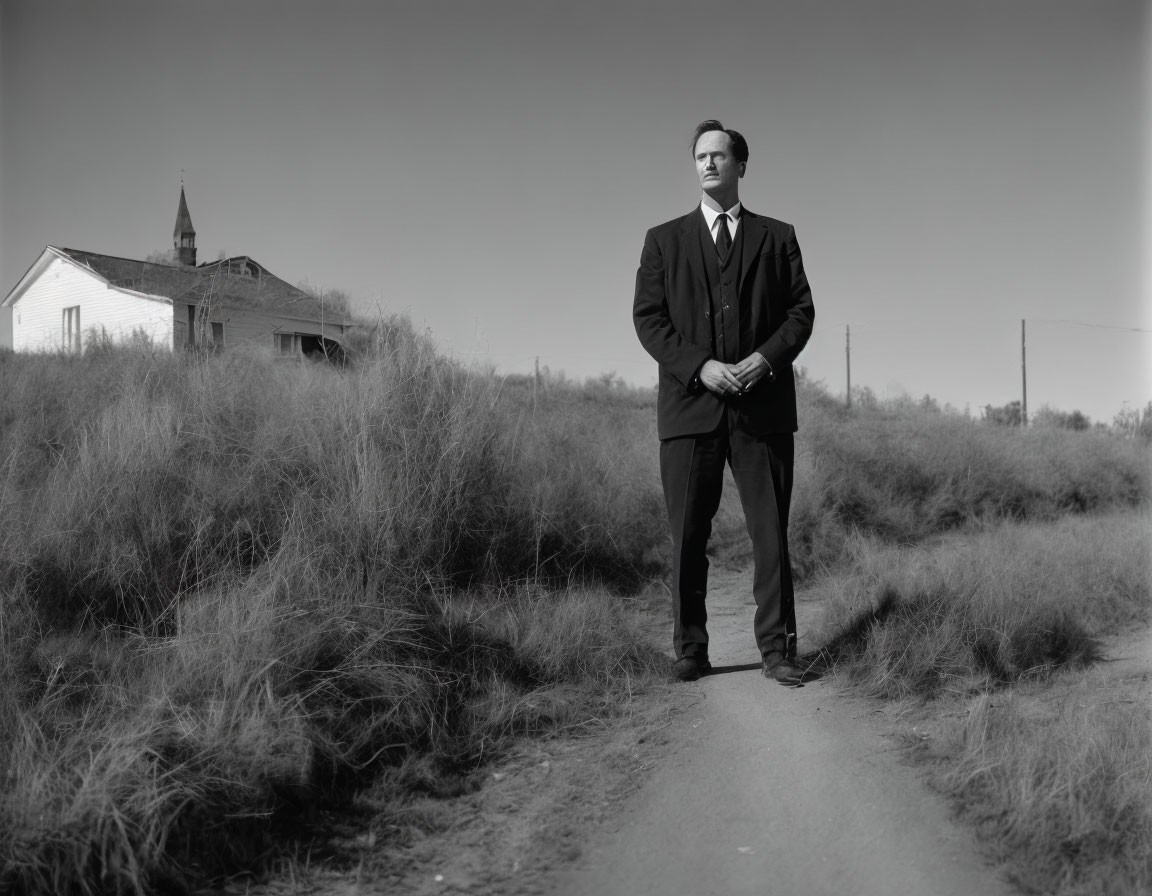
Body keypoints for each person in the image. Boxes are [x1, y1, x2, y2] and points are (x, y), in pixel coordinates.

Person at [633, 120, 815, 686]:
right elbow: (649, 320)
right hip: (690, 410)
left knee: (769, 534)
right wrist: (700, 367)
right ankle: (690, 649)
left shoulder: (777, 236)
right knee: (687, 536)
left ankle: (778, 650)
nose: (708, 164)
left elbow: (800, 314)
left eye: (718, 155)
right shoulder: (663, 240)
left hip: (762, 411)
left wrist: (764, 360)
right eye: (700, 156)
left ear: (740, 165)